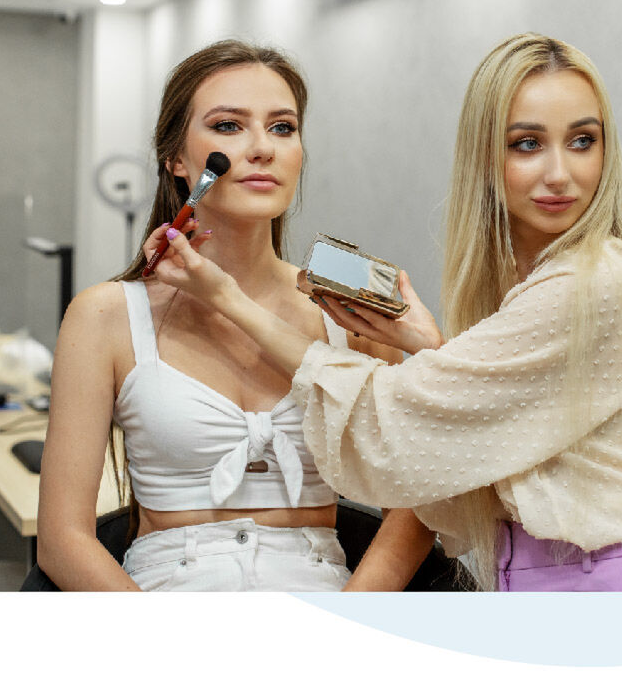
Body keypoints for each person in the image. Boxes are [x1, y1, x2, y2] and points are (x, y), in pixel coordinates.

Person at [145, 32, 622, 591]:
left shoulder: (594, 284)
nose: (560, 174)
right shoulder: (110, 315)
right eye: (527, 144)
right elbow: (474, 439)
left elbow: (399, 428)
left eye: (583, 140)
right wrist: (431, 348)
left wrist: (225, 300)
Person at [36, 40, 436, 591]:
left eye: (282, 128)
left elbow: (419, 496)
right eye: (228, 126)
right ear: (176, 159)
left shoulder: (352, 314)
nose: (261, 148)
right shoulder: (105, 315)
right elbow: (62, 541)